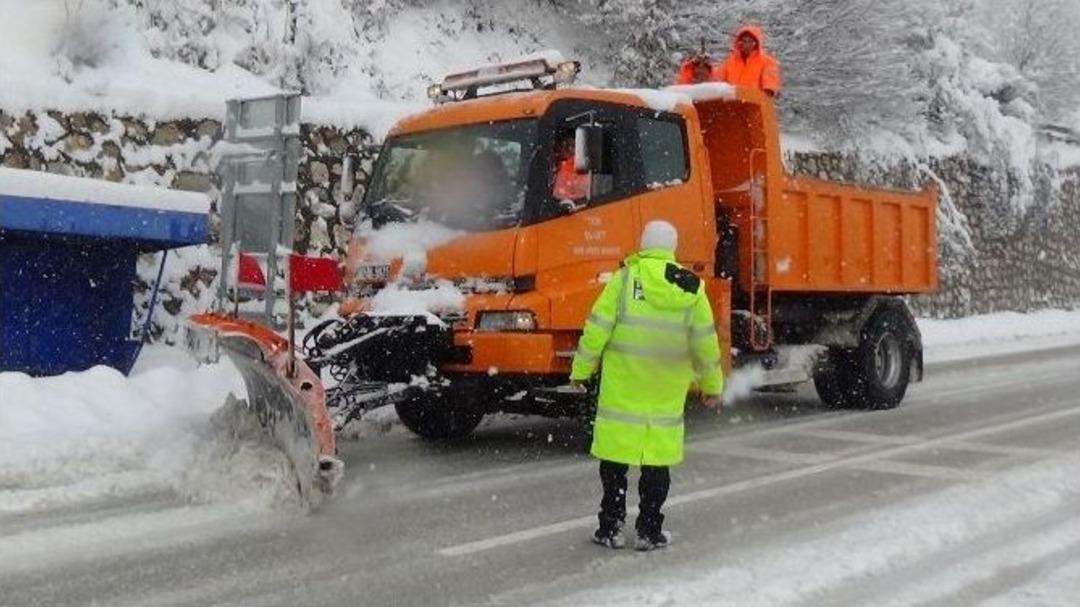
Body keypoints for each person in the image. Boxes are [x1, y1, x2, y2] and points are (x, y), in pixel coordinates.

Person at [569, 220, 725, 551]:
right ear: (672, 247)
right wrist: (712, 386)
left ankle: (610, 527)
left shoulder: (625, 280)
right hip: (664, 390)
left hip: (623, 389)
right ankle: (649, 530)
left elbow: (596, 329)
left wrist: (580, 371)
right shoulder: (690, 287)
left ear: (644, 244)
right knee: (656, 463)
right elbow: (705, 344)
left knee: (614, 462)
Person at [716, 24, 782, 97]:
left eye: (749, 41)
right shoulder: (729, 63)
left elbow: (769, 89)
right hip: (732, 102)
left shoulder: (768, 62)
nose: (745, 44)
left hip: (755, 102)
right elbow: (716, 82)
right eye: (743, 41)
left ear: (756, 44)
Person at [552, 135, 590, 201]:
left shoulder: (584, 168)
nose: (570, 148)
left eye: (573, 145)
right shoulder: (555, 169)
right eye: (564, 146)